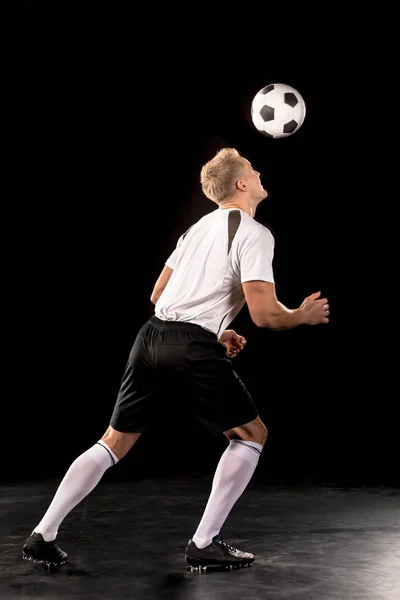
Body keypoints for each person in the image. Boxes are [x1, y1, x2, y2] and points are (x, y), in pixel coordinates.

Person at [22, 147, 329, 571]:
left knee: (113, 441)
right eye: (252, 170)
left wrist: (215, 330)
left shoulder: (195, 229)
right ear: (241, 184)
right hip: (187, 344)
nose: (259, 173)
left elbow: (158, 296)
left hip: (150, 337)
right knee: (251, 434)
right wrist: (301, 316)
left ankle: (43, 534)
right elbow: (265, 315)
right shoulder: (255, 233)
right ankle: (205, 543)